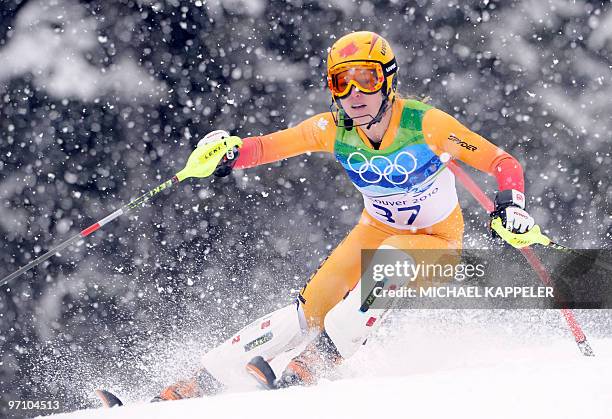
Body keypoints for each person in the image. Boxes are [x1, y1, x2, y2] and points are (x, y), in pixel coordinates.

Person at [151, 30, 536, 401]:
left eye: (366, 79)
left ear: (387, 80)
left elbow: (501, 162)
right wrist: (229, 153)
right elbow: (271, 146)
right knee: (309, 309)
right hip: (376, 231)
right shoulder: (333, 128)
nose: (354, 93)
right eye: (341, 82)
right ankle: (202, 381)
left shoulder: (426, 124)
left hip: (437, 246)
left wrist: (511, 205)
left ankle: (319, 359)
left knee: (391, 261)